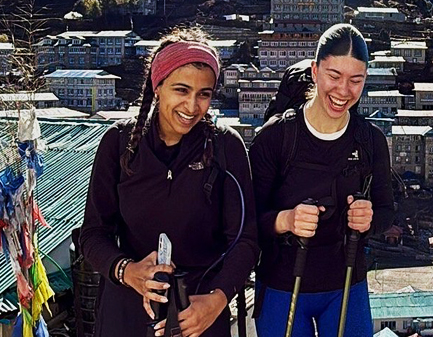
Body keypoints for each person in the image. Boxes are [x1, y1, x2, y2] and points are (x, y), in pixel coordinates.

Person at [80, 28, 259, 337]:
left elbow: (245, 241)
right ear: (158, 86)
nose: (192, 106)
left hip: (197, 315)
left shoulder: (225, 148)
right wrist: (127, 271)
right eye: (181, 90)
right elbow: (93, 235)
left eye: (203, 94)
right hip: (126, 314)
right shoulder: (119, 145)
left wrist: (216, 301)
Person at [249, 23, 394, 337]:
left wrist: (368, 219)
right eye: (334, 76)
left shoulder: (370, 141)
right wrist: (286, 220)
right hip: (281, 284)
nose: (344, 91)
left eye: (356, 80)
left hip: (346, 284)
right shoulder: (275, 137)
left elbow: (386, 212)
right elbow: (248, 221)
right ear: (315, 71)